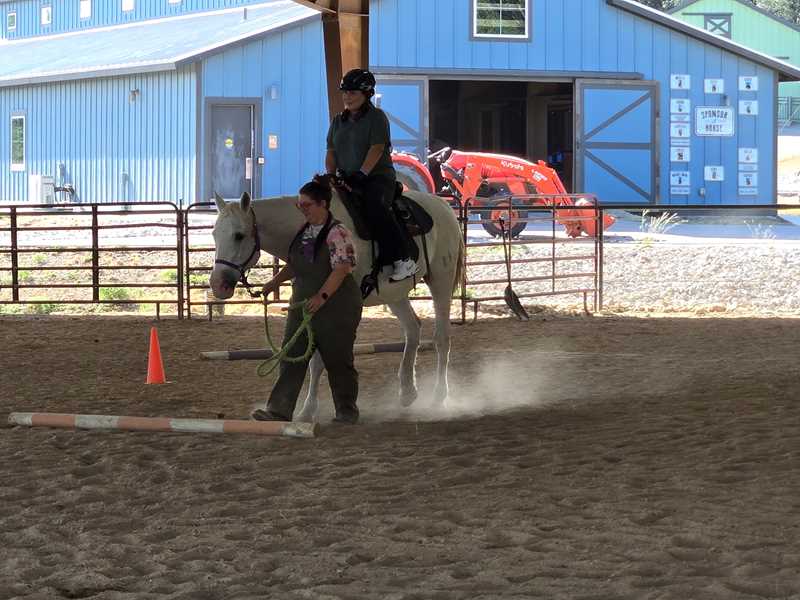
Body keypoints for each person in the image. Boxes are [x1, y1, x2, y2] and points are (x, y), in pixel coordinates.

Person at [251, 175, 362, 424]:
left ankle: (346, 411)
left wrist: (321, 296)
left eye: (306, 205)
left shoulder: (338, 233)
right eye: (300, 205)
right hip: (304, 306)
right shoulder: (305, 231)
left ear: (323, 204)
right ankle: (278, 410)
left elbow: (342, 269)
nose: (302, 209)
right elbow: (295, 264)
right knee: (291, 355)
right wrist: (274, 283)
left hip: (337, 308)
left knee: (338, 359)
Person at [326, 67, 418, 282]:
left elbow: (377, 148)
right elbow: (330, 151)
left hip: (377, 177)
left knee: (375, 205)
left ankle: (403, 259)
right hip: (346, 177)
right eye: (345, 92)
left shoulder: (376, 118)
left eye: (353, 93)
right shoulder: (337, 121)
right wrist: (330, 175)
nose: (347, 97)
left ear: (366, 94)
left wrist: (362, 173)